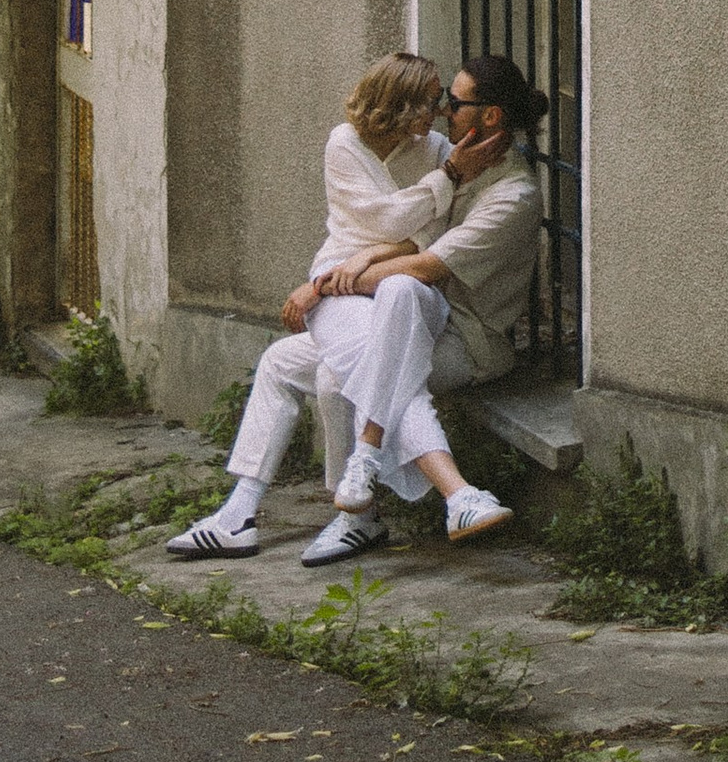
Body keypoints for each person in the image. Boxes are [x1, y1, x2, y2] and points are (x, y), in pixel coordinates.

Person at [167, 50, 541, 564]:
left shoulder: (501, 188)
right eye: (438, 101)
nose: (441, 111)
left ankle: (364, 508)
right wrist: (367, 254)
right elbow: (396, 226)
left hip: (462, 335)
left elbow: (424, 257)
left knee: (361, 350)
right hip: (391, 308)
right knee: (286, 362)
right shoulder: (428, 158)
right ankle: (239, 514)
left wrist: (321, 286)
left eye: (451, 102)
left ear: (490, 116)